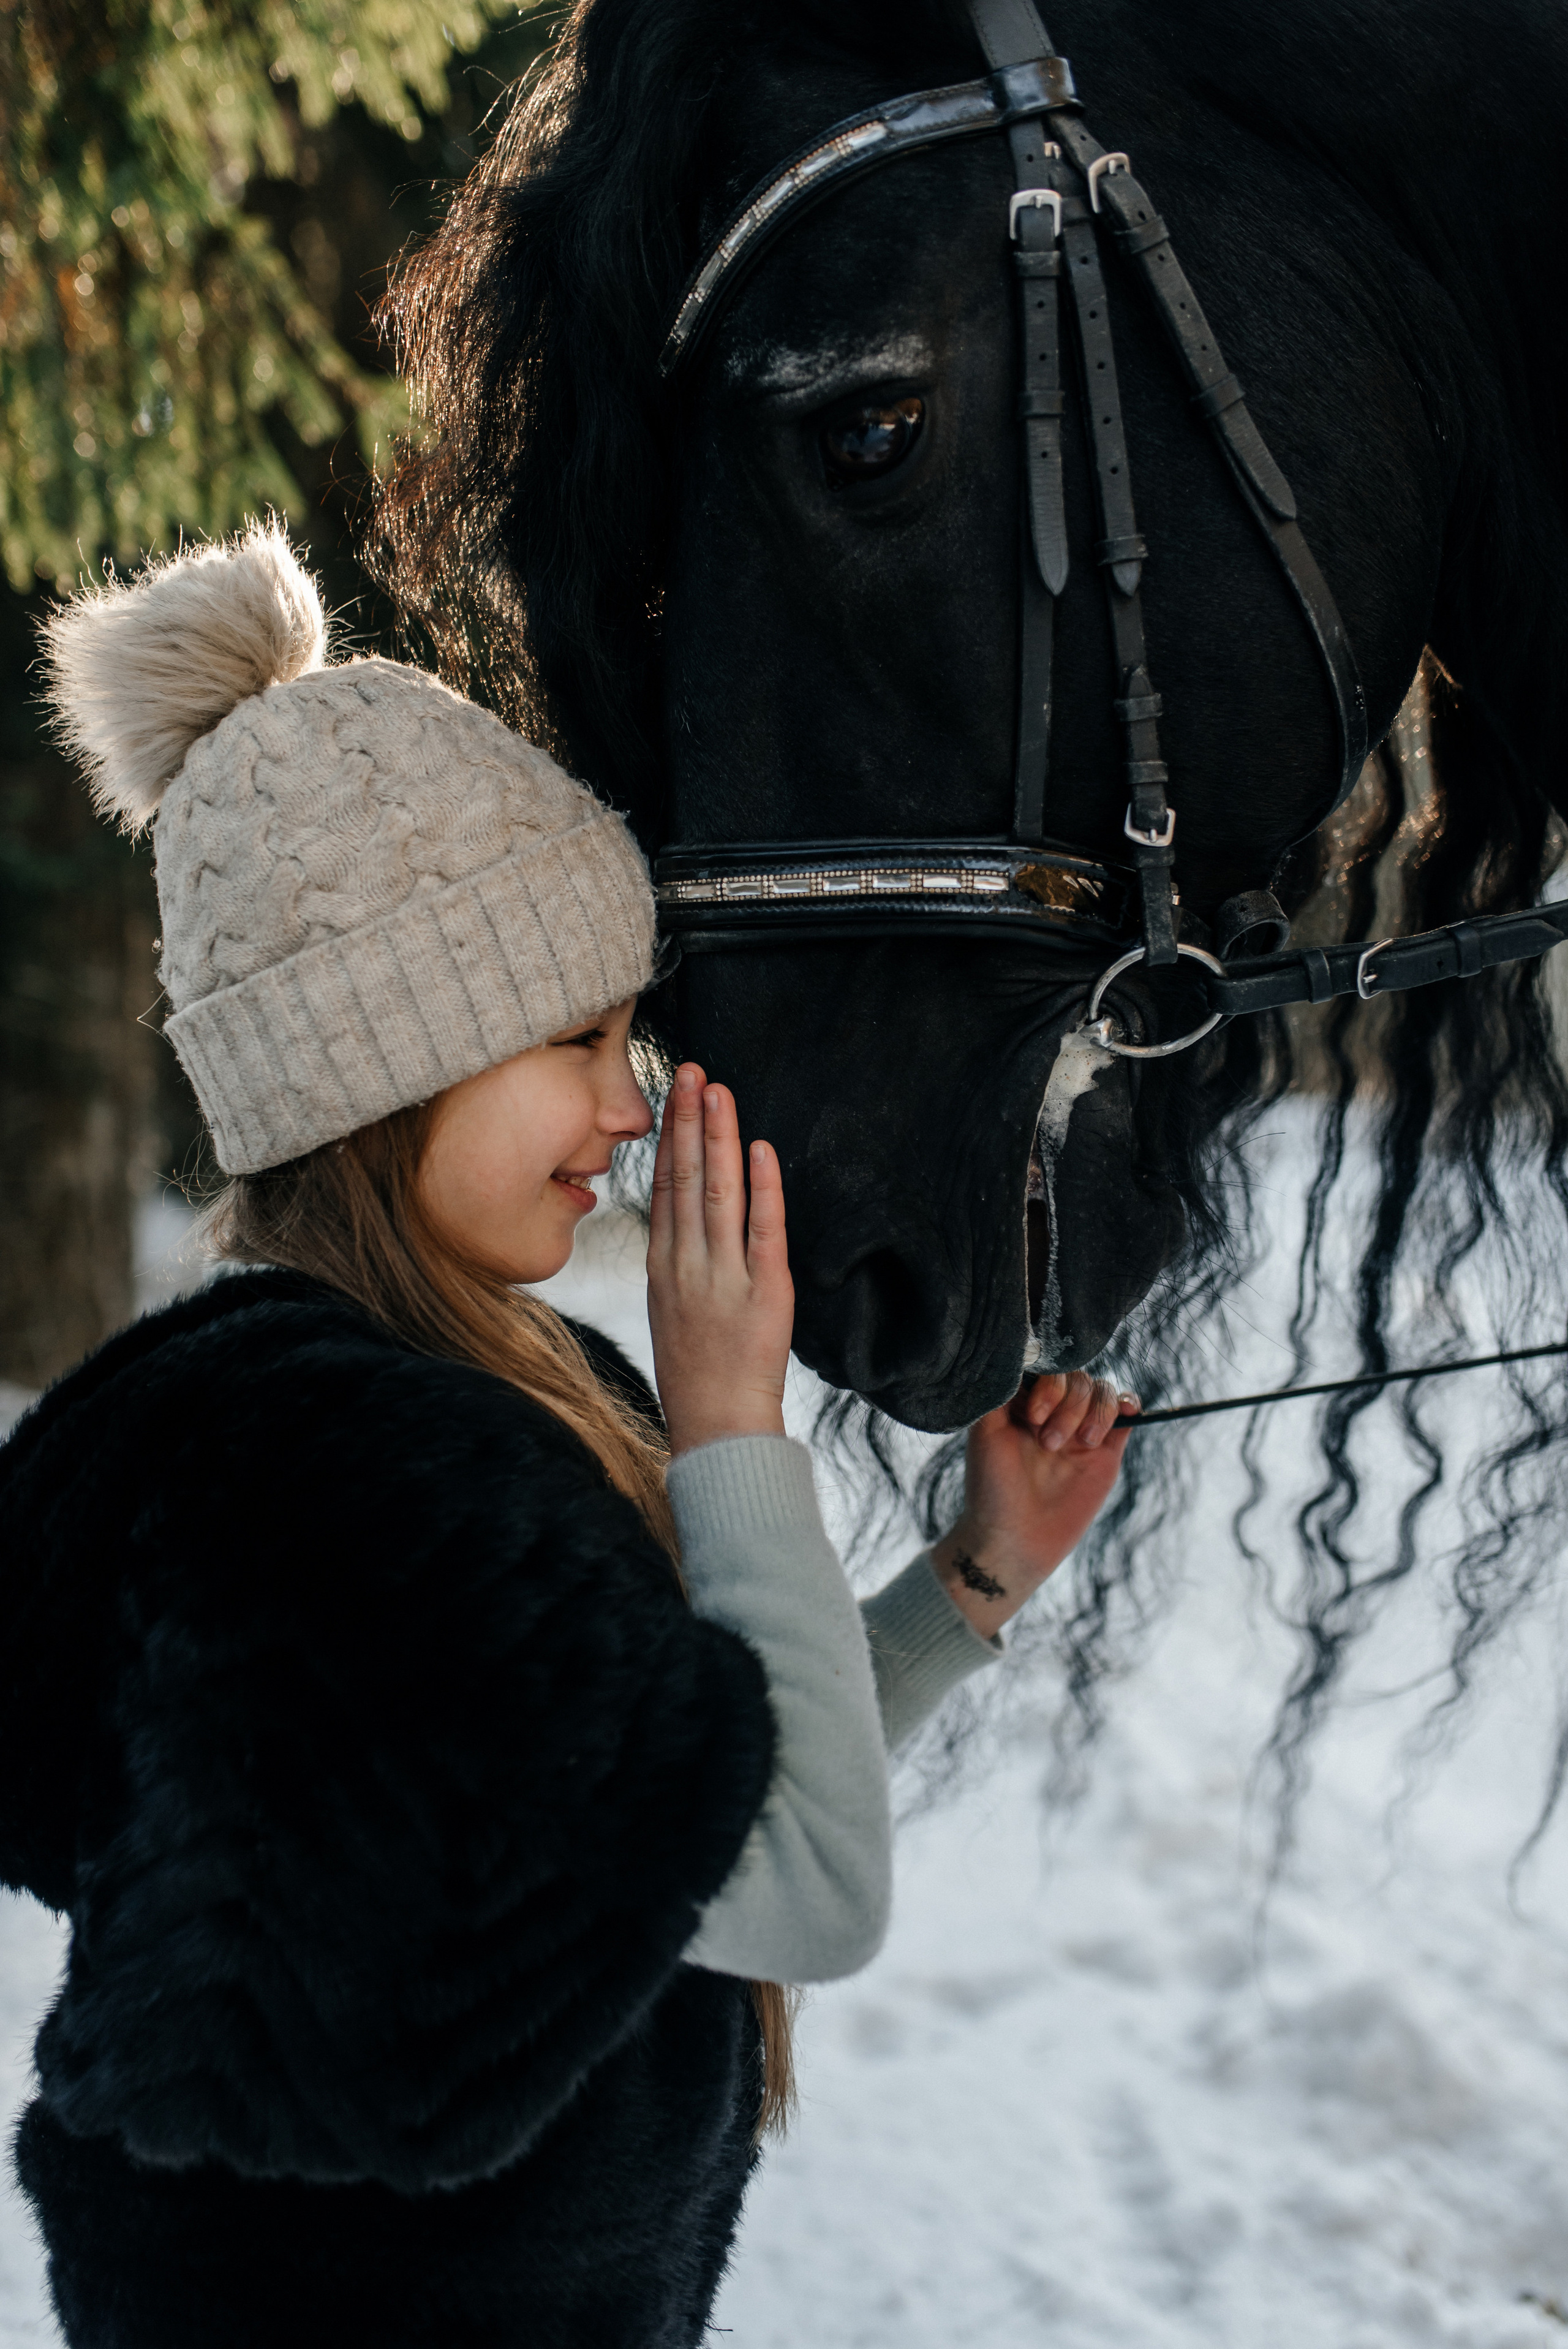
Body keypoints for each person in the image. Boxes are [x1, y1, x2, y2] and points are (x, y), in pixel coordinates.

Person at [0, 521, 1135, 2349]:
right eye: (580, 1035)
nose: (631, 1104)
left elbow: (668, 1789)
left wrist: (974, 1576)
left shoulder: (454, 1395)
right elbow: (802, 1890)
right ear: (388, 1057)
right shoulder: (345, 1476)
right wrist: (731, 1423)